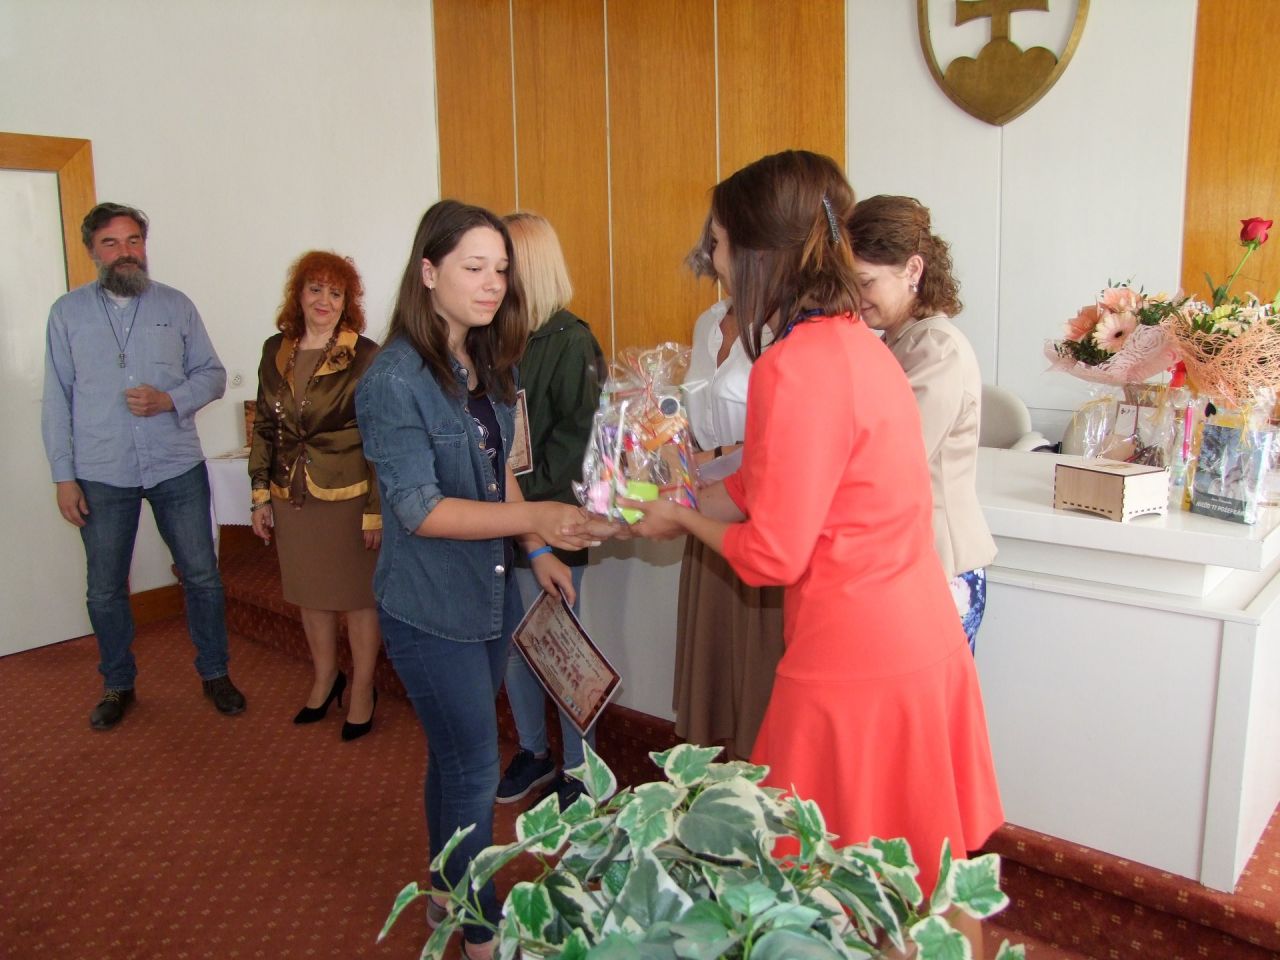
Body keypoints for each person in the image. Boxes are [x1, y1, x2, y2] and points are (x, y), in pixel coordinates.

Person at [621, 151, 1003, 895]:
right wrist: (677, 496)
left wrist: (682, 522)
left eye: (719, 243)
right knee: (914, 877)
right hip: (914, 633)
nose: (712, 262)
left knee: (818, 883)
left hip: (852, 654)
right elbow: (759, 483)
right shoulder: (856, 343)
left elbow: (773, 554)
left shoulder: (793, 365)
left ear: (758, 255)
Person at [355, 200, 594, 958]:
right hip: (429, 606)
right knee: (472, 766)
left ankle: (443, 894)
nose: (493, 284)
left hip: (486, 593)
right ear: (428, 273)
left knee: (456, 756)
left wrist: (538, 549)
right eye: (474, 268)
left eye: (501, 269)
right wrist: (541, 517)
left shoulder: (484, 361)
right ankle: (481, 930)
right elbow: (420, 510)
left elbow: (502, 473)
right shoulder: (394, 379)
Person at [42, 201, 246, 730]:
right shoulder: (66, 313)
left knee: (202, 576)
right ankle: (118, 683)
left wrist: (170, 400)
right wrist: (63, 476)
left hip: (176, 466)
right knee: (105, 587)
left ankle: (216, 672)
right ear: (92, 251)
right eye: (111, 243)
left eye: (133, 240)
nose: (125, 252)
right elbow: (56, 399)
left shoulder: (176, 305)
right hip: (101, 472)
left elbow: (212, 374)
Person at [848, 196, 997, 651]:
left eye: (865, 282)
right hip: (907, 562)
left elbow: (889, 460)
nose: (855, 297)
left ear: (913, 269)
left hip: (940, 564)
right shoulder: (897, 341)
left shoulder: (937, 349)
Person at [494, 212, 606, 809]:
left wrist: (527, 512)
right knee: (516, 645)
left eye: (503, 263)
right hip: (501, 519)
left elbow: (576, 445)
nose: (494, 276)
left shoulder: (570, 340)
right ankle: (535, 753)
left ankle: (584, 770)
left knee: (562, 648)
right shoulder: (495, 336)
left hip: (551, 518)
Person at [248, 251, 382, 739]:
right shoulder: (275, 350)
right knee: (311, 594)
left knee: (357, 598)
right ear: (298, 294)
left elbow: (379, 437)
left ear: (347, 302)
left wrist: (376, 510)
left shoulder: (364, 355)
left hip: (348, 495)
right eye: (315, 289)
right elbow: (265, 426)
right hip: (293, 494)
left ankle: (363, 688)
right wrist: (260, 494)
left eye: (335, 292)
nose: (324, 300)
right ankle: (326, 678)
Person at [673, 217, 784, 760]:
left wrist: (712, 460)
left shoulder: (786, 331)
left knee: (761, 687)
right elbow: (694, 419)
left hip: (758, 520)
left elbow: (779, 444)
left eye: (719, 242)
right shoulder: (707, 324)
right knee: (714, 688)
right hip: (707, 520)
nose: (710, 253)